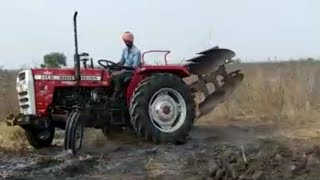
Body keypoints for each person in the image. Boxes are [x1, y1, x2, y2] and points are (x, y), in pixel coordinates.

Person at [111, 31, 141, 101]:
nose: (126, 43)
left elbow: (135, 67)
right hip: (123, 70)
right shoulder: (125, 50)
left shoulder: (136, 52)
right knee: (110, 73)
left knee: (117, 76)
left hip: (131, 72)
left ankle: (116, 94)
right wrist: (114, 65)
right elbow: (122, 61)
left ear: (131, 41)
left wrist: (122, 68)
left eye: (128, 41)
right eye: (125, 41)